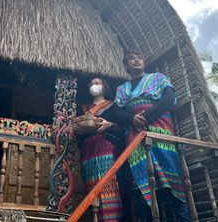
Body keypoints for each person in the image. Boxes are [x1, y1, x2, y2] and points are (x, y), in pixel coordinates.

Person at [97, 50, 191, 222]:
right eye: (132, 59)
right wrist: (132, 119)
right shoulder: (122, 89)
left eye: (139, 57)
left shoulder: (158, 78)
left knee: (172, 181)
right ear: (126, 65)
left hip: (161, 134)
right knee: (141, 186)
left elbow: (169, 98)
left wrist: (147, 117)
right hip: (135, 138)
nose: (137, 60)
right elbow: (117, 112)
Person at [76, 78, 126, 222]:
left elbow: (123, 127)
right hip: (88, 152)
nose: (94, 86)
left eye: (97, 83)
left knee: (110, 185)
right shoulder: (84, 108)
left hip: (108, 150)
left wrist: (109, 124)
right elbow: (77, 129)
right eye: (91, 84)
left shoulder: (113, 106)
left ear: (104, 87)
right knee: (92, 187)